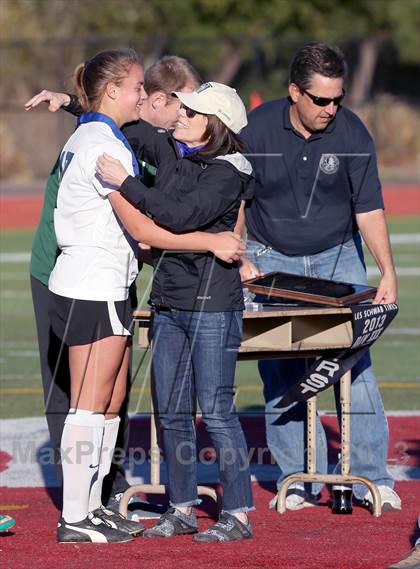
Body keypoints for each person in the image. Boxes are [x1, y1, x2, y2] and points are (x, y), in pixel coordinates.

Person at [29, 49, 244, 544]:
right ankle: (76, 517)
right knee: (88, 405)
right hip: (91, 282)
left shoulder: (99, 135)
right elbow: (144, 226)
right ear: (112, 93)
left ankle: (94, 507)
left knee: (110, 402)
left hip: (101, 281)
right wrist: (210, 241)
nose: (143, 97)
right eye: (135, 89)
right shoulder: (103, 143)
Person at [239, 42, 401, 511]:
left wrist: (386, 271)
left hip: (338, 259)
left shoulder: (352, 132)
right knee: (280, 371)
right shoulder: (256, 129)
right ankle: (298, 481)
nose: (331, 109)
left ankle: (373, 477)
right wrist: (240, 256)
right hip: (271, 259)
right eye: (321, 100)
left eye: (338, 99)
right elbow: (236, 199)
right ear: (295, 92)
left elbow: (368, 207)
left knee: (357, 369)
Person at [95, 81, 255, 542]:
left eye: (193, 113)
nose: (180, 116)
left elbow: (180, 216)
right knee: (171, 412)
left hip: (212, 307)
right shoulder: (175, 150)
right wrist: (74, 102)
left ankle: (239, 514)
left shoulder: (228, 173)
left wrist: (124, 183)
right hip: (168, 302)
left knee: (218, 412)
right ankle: (181, 508)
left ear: (216, 126)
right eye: (182, 109)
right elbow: (127, 126)